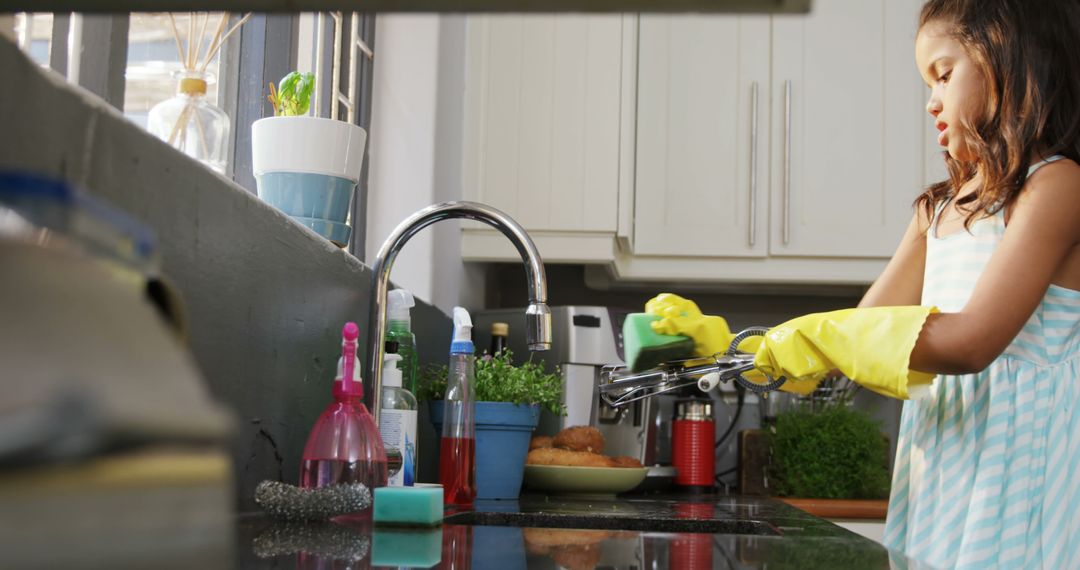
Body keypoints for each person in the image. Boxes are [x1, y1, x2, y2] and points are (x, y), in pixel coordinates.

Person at [860, 1, 1080, 567]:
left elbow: (971, 342)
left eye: (943, 73)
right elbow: (866, 327)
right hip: (943, 458)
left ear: (1005, 55)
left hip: (1020, 463)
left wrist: (826, 340)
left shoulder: (1055, 187)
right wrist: (774, 349)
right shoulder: (936, 210)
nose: (931, 101)